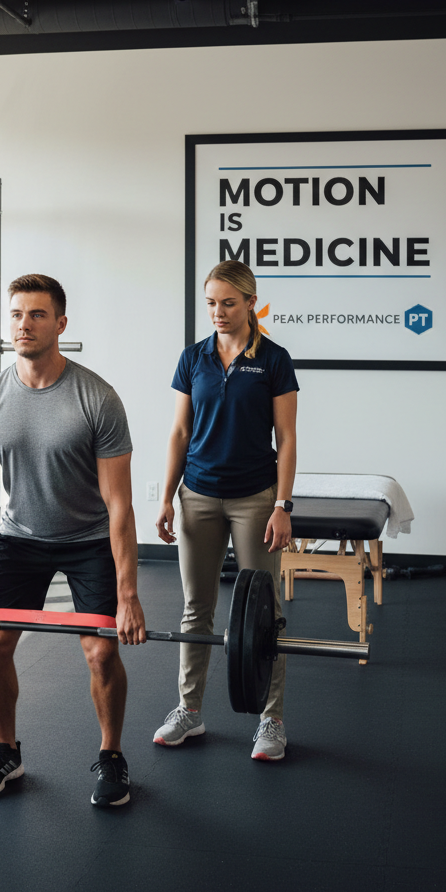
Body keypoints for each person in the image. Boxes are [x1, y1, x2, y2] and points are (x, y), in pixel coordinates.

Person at [0, 273, 146, 807]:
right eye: (16, 314)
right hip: (21, 538)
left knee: (101, 652)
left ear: (60, 324)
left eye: (36, 314)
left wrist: (129, 597)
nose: (24, 324)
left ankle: (111, 755)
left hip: (89, 538)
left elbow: (119, 504)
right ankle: (5, 750)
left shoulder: (97, 398)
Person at [154, 260, 298, 761]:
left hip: (255, 498)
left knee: (265, 613)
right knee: (197, 608)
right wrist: (167, 496)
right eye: (211, 303)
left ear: (250, 303)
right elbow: (179, 433)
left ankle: (272, 719)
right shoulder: (193, 358)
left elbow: (287, 438)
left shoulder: (274, 359)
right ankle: (189, 710)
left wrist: (282, 505)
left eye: (228, 303)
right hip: (198, 495)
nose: (218, 312)